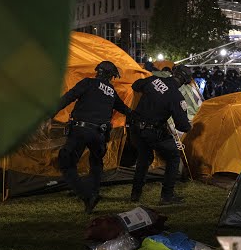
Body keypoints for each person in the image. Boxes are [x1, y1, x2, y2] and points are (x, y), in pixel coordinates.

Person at [53, 60, 134, 214]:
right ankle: (93, 191)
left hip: (81, 130)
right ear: (111, 76)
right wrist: (139, 116)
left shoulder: (88, 83)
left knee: (66, 162)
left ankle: (86, 195)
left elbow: (68, 97)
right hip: (100, 134)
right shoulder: (111, 90)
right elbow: (124, 109)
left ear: (98, 71)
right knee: (96, 162)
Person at [129, 64, 192, 205]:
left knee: (145, 157)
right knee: (174, 157)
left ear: (173, 73)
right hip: (153, 131)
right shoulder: (176, 96)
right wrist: (190, 126)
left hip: (135, 128)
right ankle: (167, 196)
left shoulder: (154, 80)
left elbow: (136, 85)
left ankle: (135, 194)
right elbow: (182, 125)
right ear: (184, 81)